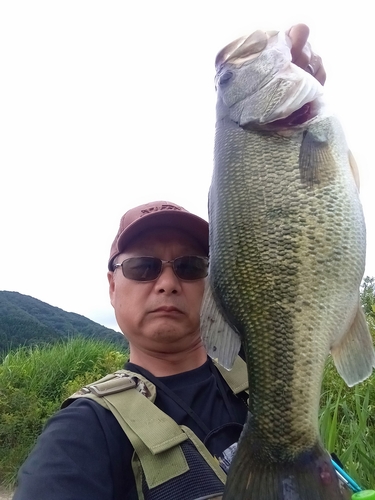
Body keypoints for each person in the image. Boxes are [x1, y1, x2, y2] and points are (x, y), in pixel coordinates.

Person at [13, 25, 327, 500]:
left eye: (190, 267)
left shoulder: (263, 365)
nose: (166, 282)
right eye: (142, 267)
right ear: (112, 287)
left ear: (217, 283)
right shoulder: (85, 433)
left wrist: (303, 101)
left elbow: (298, 225)